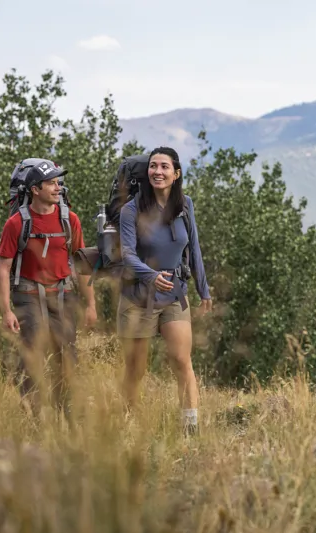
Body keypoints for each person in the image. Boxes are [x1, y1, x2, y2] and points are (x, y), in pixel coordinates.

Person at [117, 146, 212, 436]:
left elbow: (193, 247)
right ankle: (129, 424)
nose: (157, 171)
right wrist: (151, 275)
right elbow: (128, 254)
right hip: (137, 298)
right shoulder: (131, 210)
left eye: (164, 167)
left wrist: (203, 289)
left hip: (174, 295)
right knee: (136, 370)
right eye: (153, 166)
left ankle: (190, 428)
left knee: (182, 361)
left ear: (176, 173)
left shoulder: (185, 205)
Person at [0, 160, 97, 421]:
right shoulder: (17, 224)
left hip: (62, 296)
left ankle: (69, 415)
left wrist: (91, 305)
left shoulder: (69, 219)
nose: (57, 187)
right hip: (27, 297)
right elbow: (3, 269)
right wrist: (7, 311)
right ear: (34, 190)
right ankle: (34, 418)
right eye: (51, 183)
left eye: (58, 183)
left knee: (67, 357)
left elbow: (82, 264)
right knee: (31, 359)